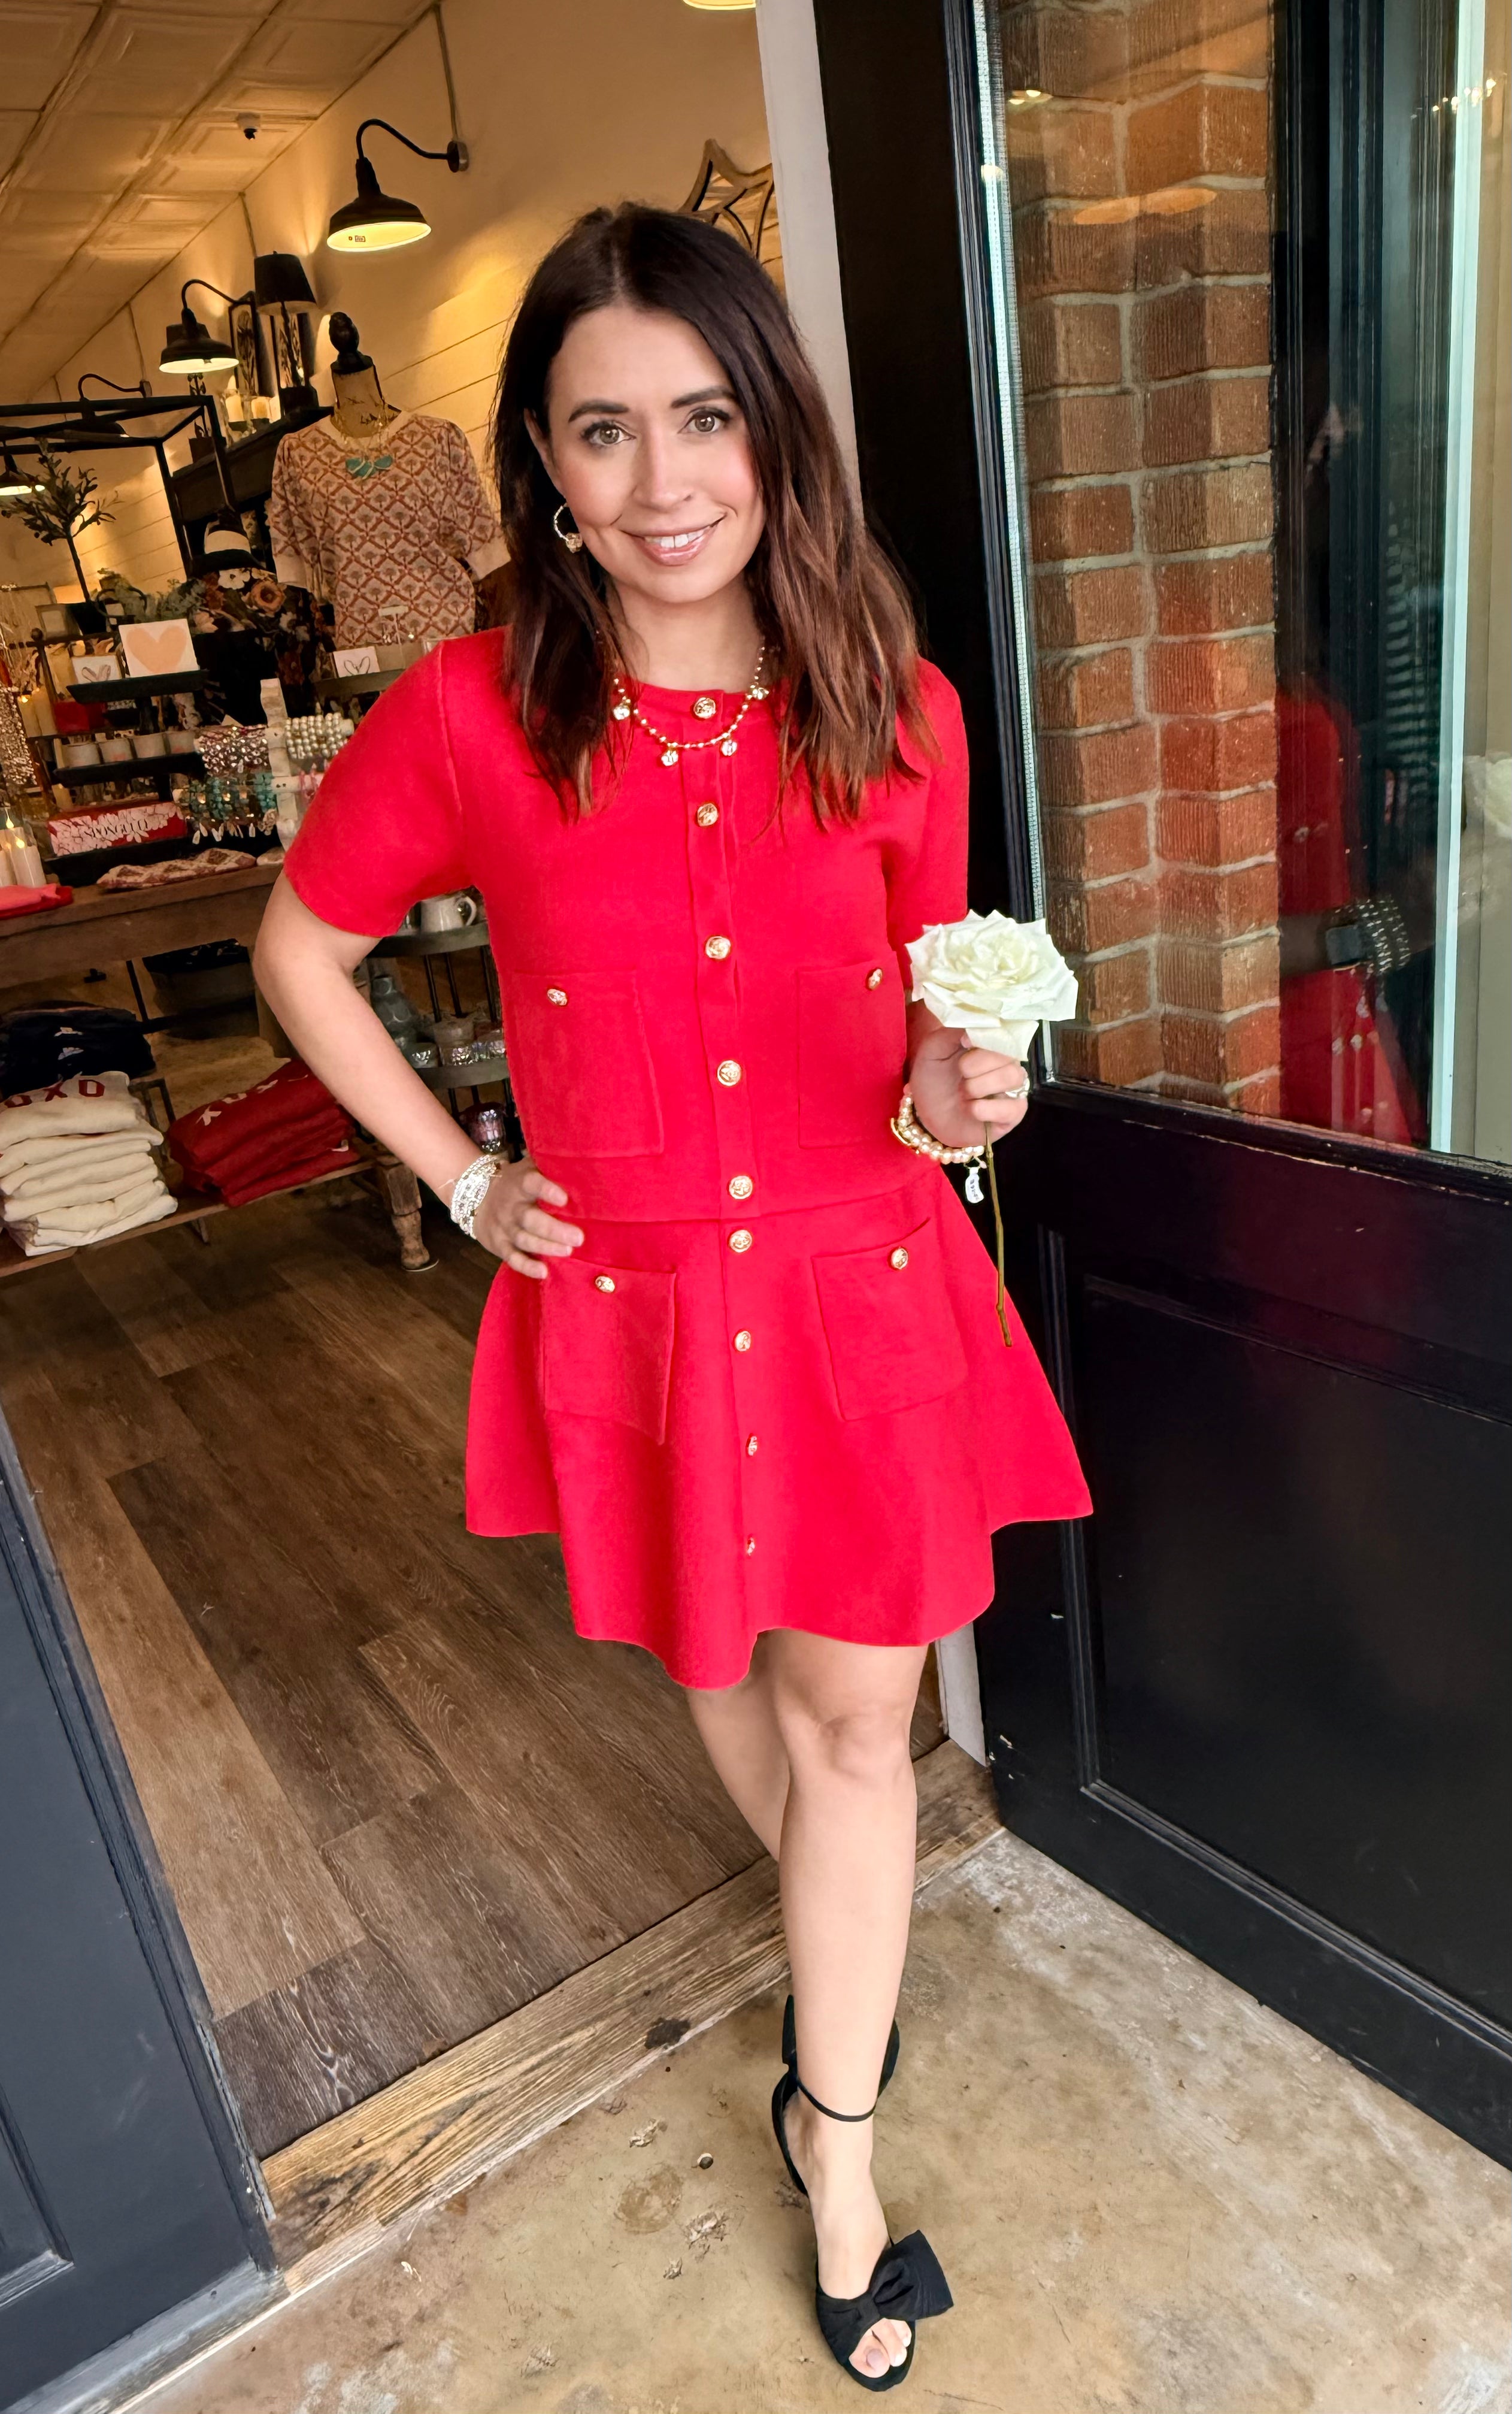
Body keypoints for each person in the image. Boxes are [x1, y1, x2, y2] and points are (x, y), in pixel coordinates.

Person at [254, 202, 1090, 2391]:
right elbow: (300, 952)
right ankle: (848, 1962)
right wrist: (462, 1179)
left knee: (860, 1725)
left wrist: (963, 1093)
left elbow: (922, 1047)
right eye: (603, 430)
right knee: (724, 1666)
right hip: (631, 1306)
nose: (663, 481)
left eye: (704, 418)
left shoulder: (900, 712)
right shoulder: (467, 713)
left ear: (773, 433)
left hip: (859, 1284)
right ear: (542, 466)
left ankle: (836, 2136)